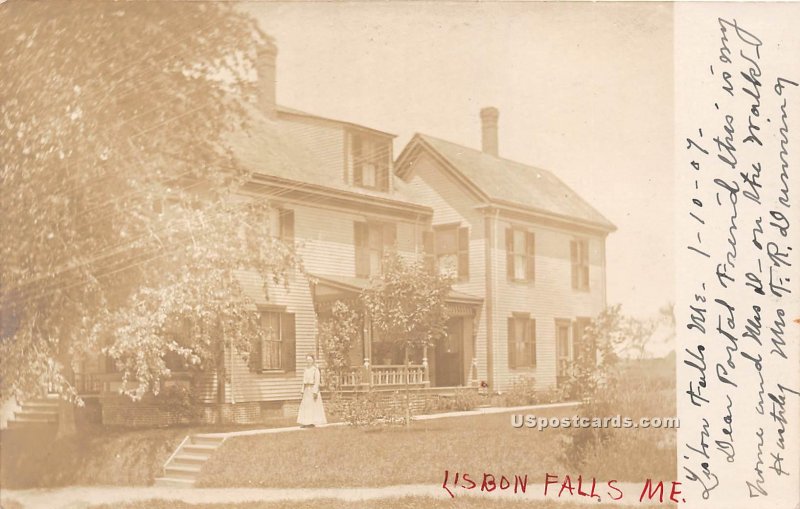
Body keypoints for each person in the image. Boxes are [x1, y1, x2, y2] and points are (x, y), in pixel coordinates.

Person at [297, 353, 327, 427]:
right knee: (305, 406)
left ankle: (312, 422)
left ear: (313, 360)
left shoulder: (315, 370)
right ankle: (305, 422)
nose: (308, 361)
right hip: (306, 389)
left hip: (313, 389)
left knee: (312, 406)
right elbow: (303, 381)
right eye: (307, 360)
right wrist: (302, 390)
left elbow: (317, 381)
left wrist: (315, 392)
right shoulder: (306, 369)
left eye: (310, 359)